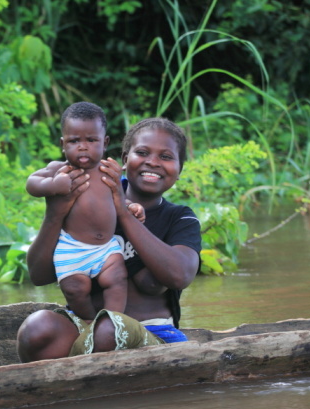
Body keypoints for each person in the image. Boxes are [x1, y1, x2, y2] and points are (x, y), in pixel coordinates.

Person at [17, 117, 201, 361]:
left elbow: (180, 276)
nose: (152, 162)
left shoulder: (179, 218)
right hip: (85, 327)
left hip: (151, 333)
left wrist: (123, 213)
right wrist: (55, 213)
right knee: (36, 328)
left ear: (179, 170)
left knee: (110, 328)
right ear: (124, 160)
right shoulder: (87, 195)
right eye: (142, 153)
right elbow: (39, 276)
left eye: (166, 157)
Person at [26, 102, 145, 321]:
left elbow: (117, 199)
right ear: (63, 144)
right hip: (72, 248)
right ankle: (89, 322)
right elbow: (31, 183)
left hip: (106, 248)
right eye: (74, 141)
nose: (83, 147)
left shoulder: (107, 171)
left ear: (105, 142)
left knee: (118, 279)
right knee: (74, 289)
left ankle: (113, 322)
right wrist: (53, 185)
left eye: (91, 140)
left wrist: (131, 206)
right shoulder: (60, 169)